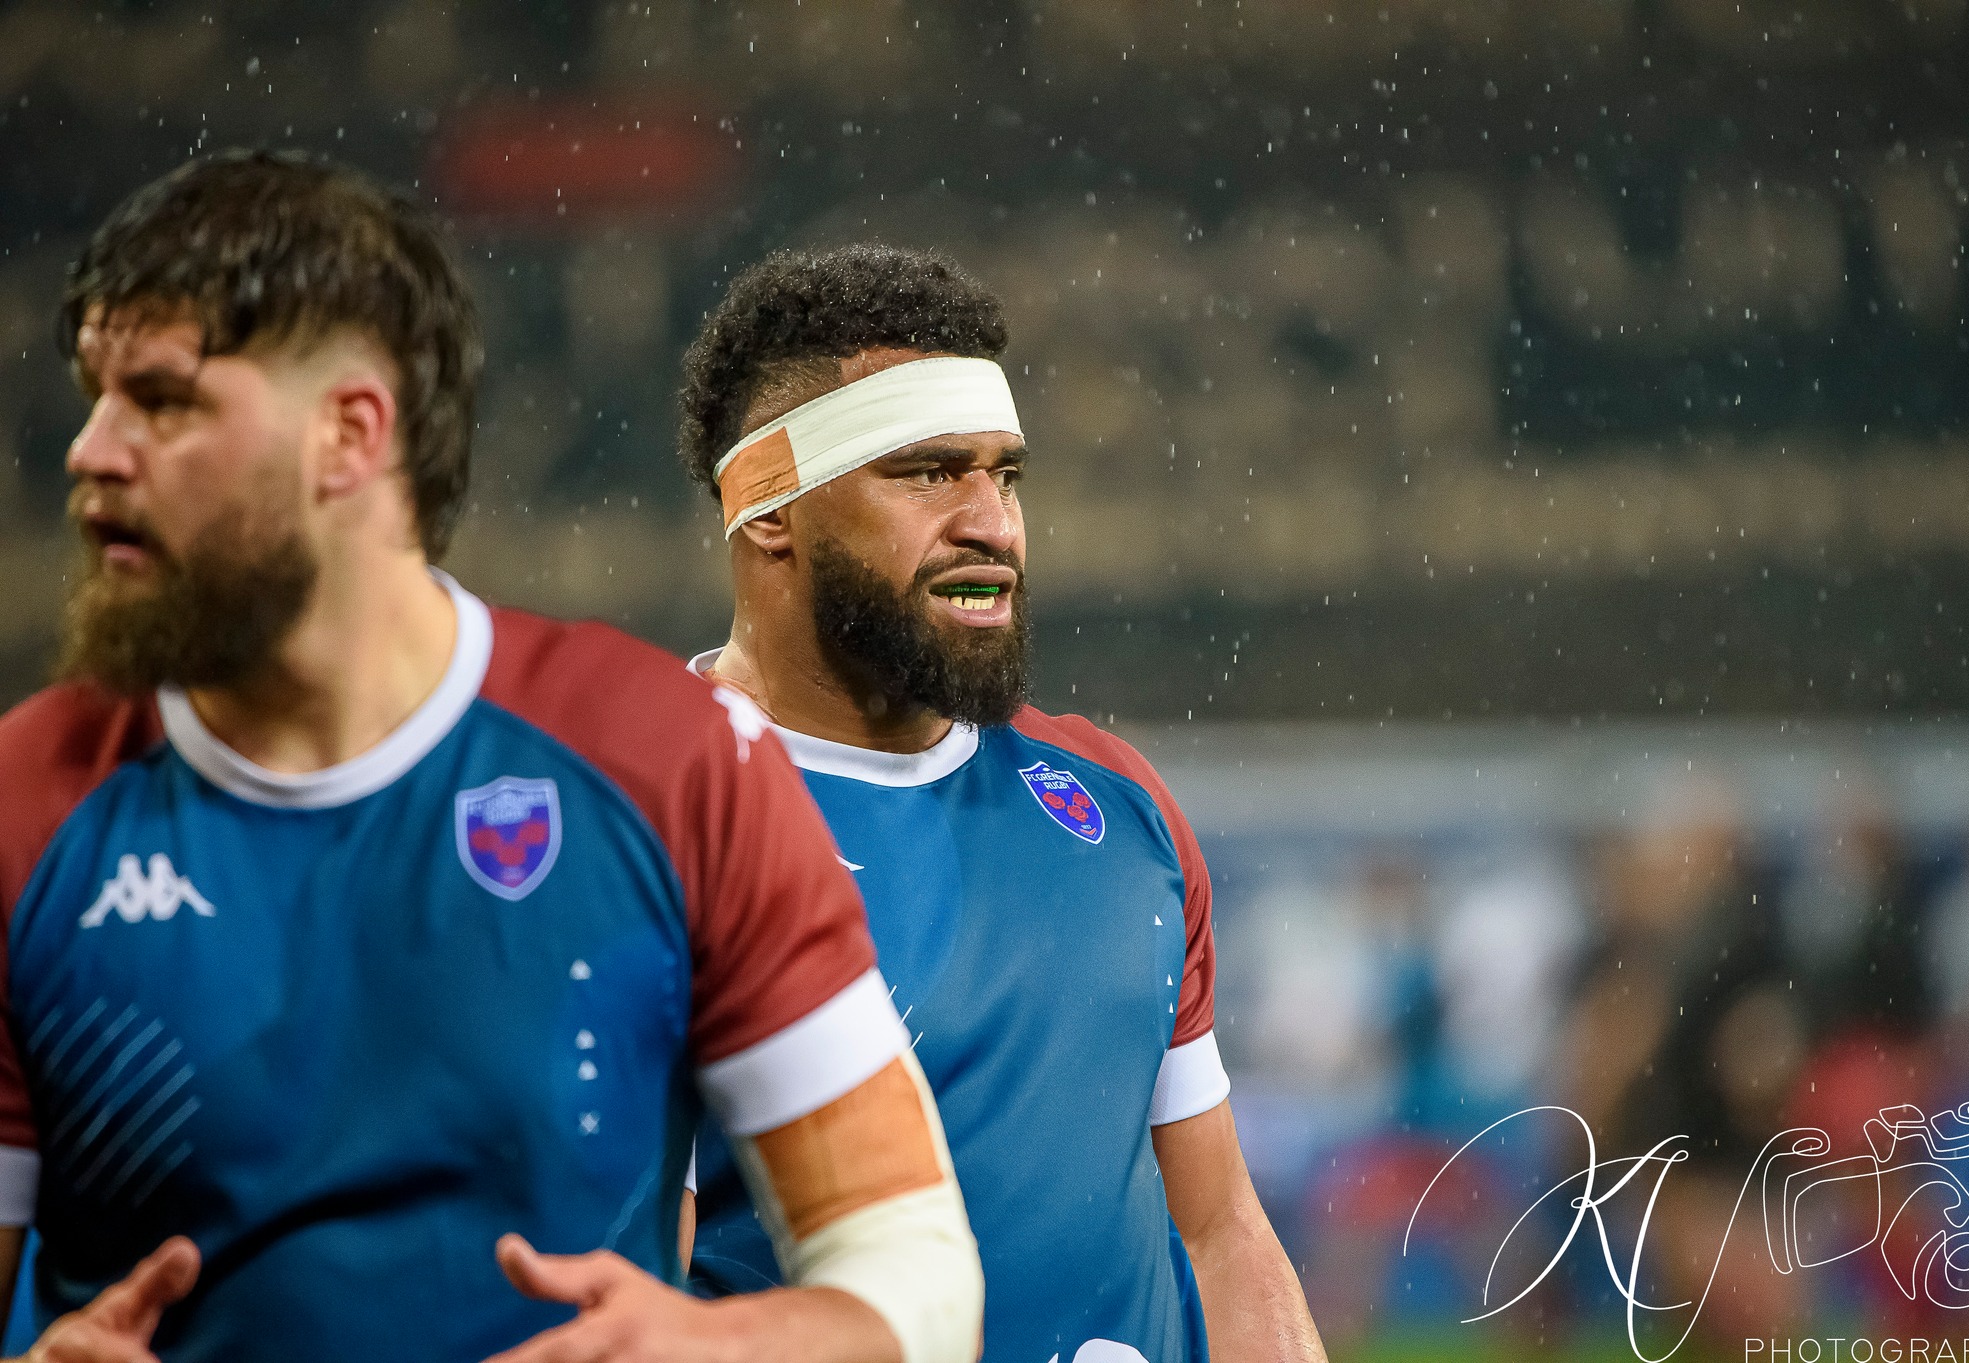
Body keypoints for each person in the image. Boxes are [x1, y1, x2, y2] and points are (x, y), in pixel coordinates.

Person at [0, 154, 981, 1363]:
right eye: (95, 395)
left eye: (161, 401)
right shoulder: (26, 803)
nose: (91, 450)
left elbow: (913, 1270)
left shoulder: (665, 764)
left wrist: (720, 1349)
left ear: (349, 433)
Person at [676, 245, 1325, 1363]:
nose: (994, 524)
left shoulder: (1116, 808)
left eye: (1005, 476)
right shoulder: (641, 835)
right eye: (929, 473)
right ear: (770, 510)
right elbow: (618, 1300)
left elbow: (1219, 1231)